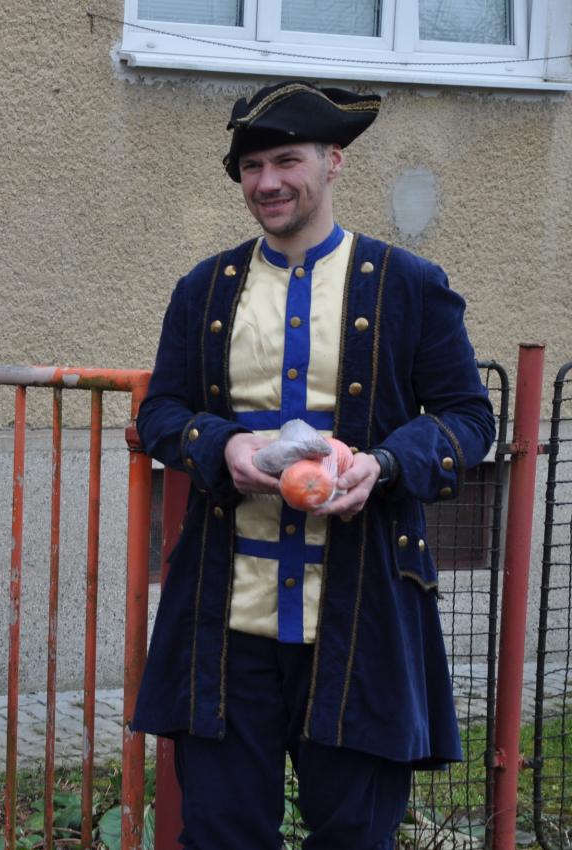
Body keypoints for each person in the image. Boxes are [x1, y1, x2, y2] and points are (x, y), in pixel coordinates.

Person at [130, 81, 495, 849]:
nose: (266, 182)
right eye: (251, 166)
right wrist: (222, 447)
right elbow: (161, 412)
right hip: (228, 623)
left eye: (286, 160)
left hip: (361, 619)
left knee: (355, 836)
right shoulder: (203, 290)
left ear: (334, 161)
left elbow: (469, 418)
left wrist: (384, 465)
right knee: (221, 835)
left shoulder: (410, 285)